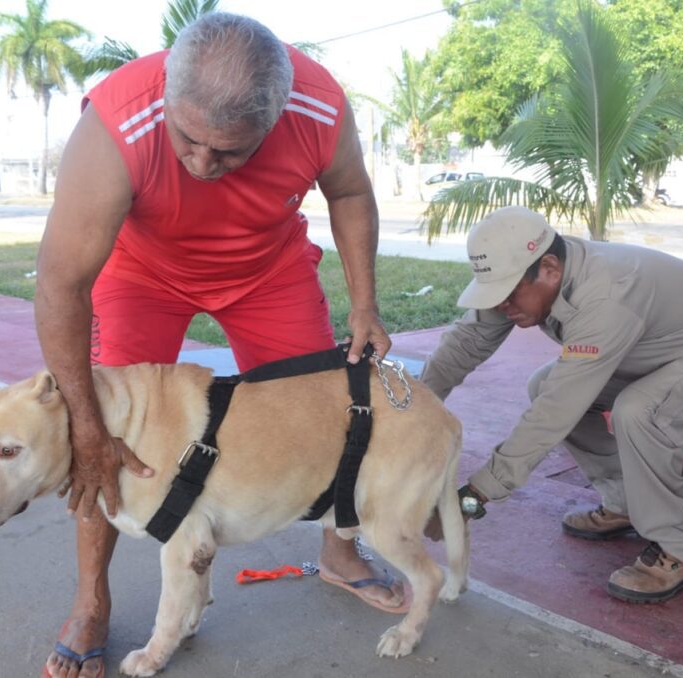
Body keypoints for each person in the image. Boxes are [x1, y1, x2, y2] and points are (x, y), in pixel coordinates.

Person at [35, 13, 398, 678]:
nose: (204, 163)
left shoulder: (319, 107)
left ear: (277, 116)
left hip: (266, 269)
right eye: (189, 139)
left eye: (230, 151)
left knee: (330, 410)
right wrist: (86, 421)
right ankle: (92, 600)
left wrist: (365, 303)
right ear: (167, 99)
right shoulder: (118, 125)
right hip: (141, 274)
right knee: (106, 435)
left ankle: (341, 554)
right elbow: (62, 287)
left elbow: (349, 191)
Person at [422, 206, 683, 604]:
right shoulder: (536, 277)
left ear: (549, 268)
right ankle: (626, 504)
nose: (502, 306)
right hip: (664, 355)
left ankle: (682, 549)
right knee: (543, 383)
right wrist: (413, 411)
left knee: (640, 410)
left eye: (508, 294)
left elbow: (556, 411)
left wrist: (473, 498)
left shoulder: (606, 294)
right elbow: (466, 343)